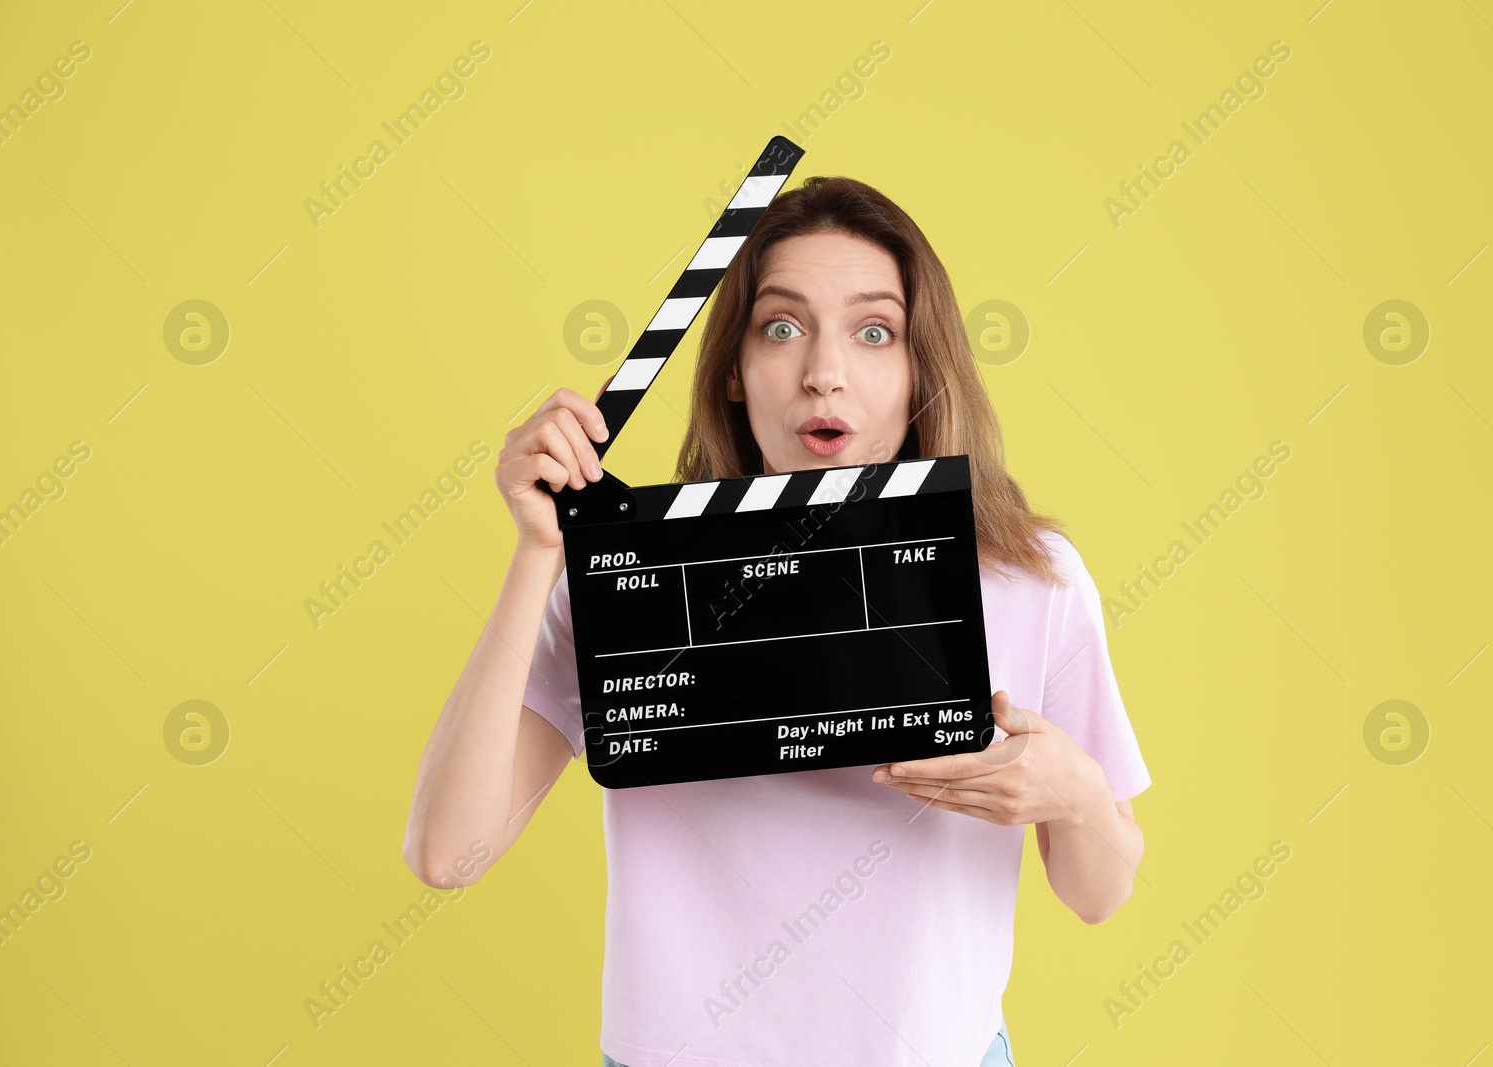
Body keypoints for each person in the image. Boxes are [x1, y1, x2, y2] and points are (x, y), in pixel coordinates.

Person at [402, 175, 1152, 1067]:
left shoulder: (1032, 579)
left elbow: (1100, 891)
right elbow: (450, 853)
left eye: (875, 331)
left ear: (922, 367)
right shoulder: (633, 578)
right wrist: (536, 554)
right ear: (732, 367)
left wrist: (1072, 794)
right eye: (782, 326)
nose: (823, 372)